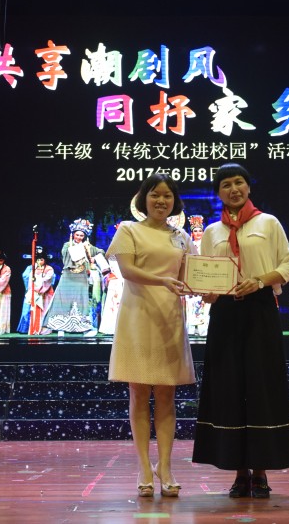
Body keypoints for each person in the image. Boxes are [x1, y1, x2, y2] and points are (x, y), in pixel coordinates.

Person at [191, 162, 289, 499]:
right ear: (218, 193)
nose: (233, 189)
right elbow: (206, 274)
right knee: (229, 387)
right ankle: (239, 472)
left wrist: (260, 281)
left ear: (248, 187)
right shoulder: (212, 232)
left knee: (261, 385)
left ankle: (261, 471)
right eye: (226, 185)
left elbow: (288, 265)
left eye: (239, 182)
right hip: (225, 313)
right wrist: (206, 292)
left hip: (260, 309)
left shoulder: (268, 223)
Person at [106, 174, 195, 498]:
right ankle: (144, 467)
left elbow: (191, 276)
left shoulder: (182, 237)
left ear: (175, 201)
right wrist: (164, 281)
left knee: (168, 395)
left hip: (169, 319)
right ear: (143, 198)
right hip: (137, 318)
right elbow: (127, 271)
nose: (161, 201)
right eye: (155, 194)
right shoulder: (129, 230)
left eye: (167, 196)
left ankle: (165, 467)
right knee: (139, 393)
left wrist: (209, 287)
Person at [43, 218, 105, 337]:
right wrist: (83, 250)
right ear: (73, 235)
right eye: (77, 235)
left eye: (81, 235)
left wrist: (93, 258)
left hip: (81, 278)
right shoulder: (67, 245)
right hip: (68, 276)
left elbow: (100, 252)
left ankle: (84, 328)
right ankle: (60, 327)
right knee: (63, 300)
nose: (79, 237)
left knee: (81, 301)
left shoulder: (88, 246)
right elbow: (66, 257)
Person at [184, 215, 211, 336]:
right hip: (192, 276)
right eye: (195, 231)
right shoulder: (189, 244)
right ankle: (191, 328)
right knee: (191, 301)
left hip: (204, 275)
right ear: (192, 232)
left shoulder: (207, 244)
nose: (198, 233)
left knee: (204, 301)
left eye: (200, 230)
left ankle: (202, 329)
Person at [98, 223, 125, 335]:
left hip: (126, 278)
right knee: (114, 301)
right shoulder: (114, 248)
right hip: (117, 278)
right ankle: (111, 327)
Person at [26, 249, 57, 335]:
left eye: (42, 260)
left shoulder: (49, 269)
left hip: (46, 293)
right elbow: (30, 281)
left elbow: (47, 280)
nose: (40, 261)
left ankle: (44, 330)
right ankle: (35, 329)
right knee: (35, 311)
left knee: (45, 311)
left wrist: (38, 285)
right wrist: (33, 290)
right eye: (38, 260)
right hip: (36, 293)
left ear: (45, 260)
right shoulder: (34, 269)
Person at [17, 246, 42, 334]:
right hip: (31, 291)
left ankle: (38, 329)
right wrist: (30, 287)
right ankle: (25, 328)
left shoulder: (47, 268)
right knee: (27, 310)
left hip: (41, 292)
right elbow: (25, 276)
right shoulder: (30, 267)